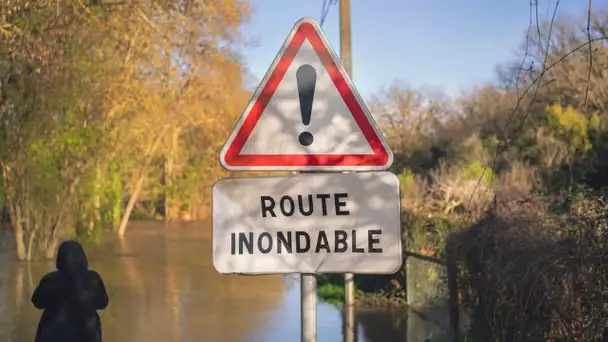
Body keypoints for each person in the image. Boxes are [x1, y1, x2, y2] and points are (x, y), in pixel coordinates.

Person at [31, 240, 109, 342]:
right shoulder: (93, 279)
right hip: (88, 335)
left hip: (53, 335)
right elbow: (103, 303)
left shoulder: (50, 279)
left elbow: (37, 302)